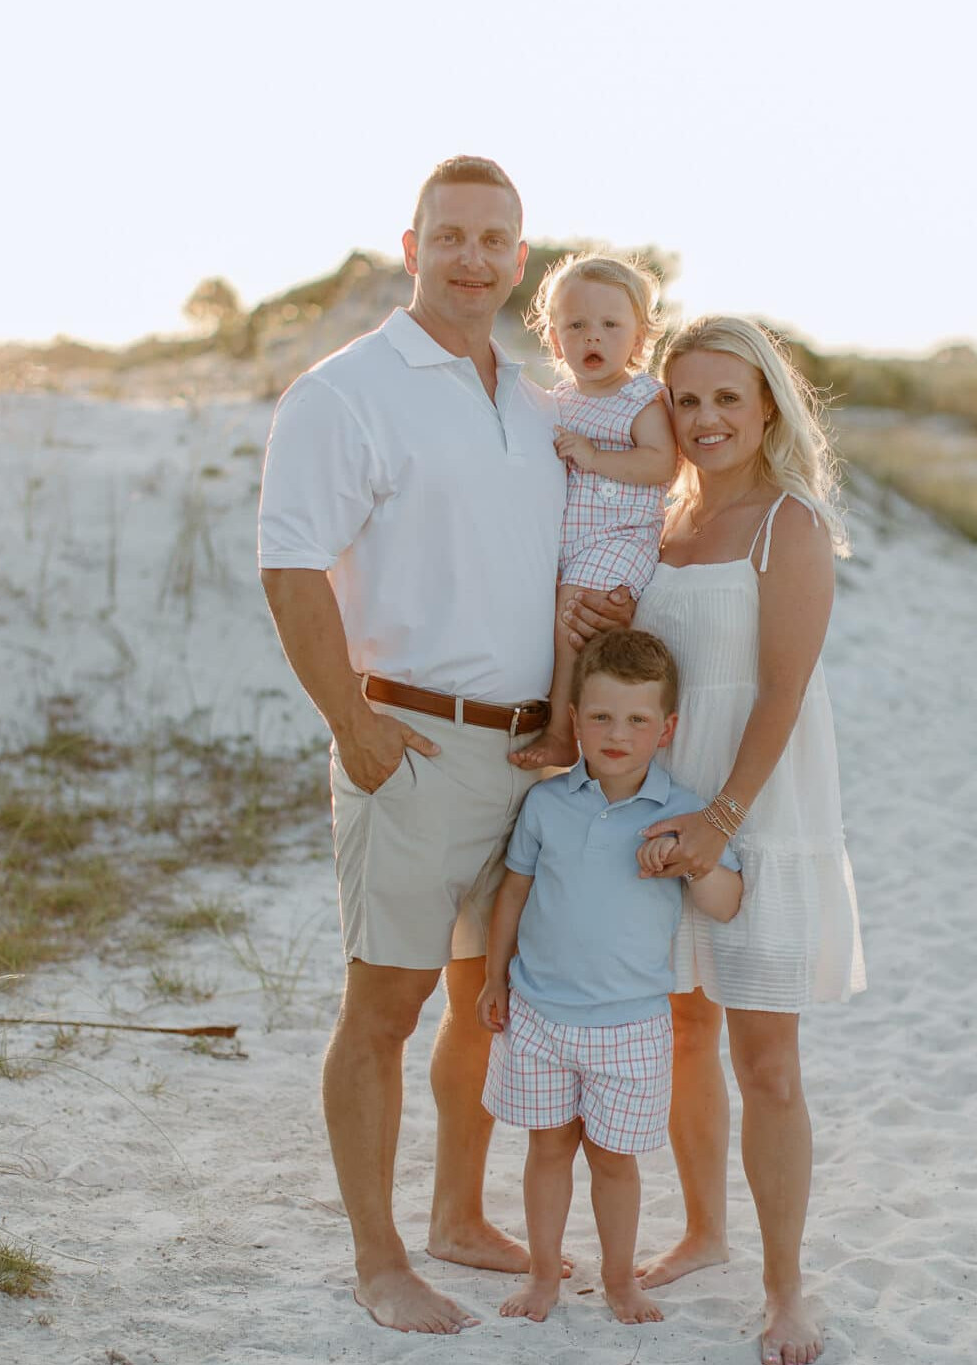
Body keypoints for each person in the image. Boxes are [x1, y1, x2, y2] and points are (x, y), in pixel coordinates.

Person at [256, 156, 633, 1336]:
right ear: (412, 248)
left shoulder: (529, 397)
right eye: (452, 235)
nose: (474, 257)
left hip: (529, 757)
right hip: (409, 745)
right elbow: (290, 563)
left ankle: (459, 1216)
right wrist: (353, 728)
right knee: (387, 1007)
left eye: (496, 239)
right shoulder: (347, 391)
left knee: (488, 1003)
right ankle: (380, 1262)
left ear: (520, 262)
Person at [630, 316, 867, 1365]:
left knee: (766, 1060)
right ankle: (702, 1230)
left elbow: (779, 692)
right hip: (660, 814)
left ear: (768, 402)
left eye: (729, 397)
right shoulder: (660, 522)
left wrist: (721, 820)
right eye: (688, 399)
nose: (708, 418)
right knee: (681, 1035)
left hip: (756, 816)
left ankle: (784, 1291)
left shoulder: (791, 525)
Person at [476, 629, 742, 1325]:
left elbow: (726, 903)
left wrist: (692, 857)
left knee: (615, 1161)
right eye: (599, 716)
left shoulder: (683, 812)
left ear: (666, 728)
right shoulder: (546, 804)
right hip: (537, 1009)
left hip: (630, 1023)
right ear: (574, 719)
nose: (615, 733)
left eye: (636, 719)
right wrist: (494, 976)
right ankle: (543, 1275)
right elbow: (512, 892)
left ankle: (621, 1280)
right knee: (547, 1148)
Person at [509, 254, 678, 771]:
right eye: (576, 326)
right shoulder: (557, 401)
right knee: (560, 629)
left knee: (570, 623)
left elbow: (661, 464)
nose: (593, 339)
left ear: (639, 338)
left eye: (610, 325)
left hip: (620, 538)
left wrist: (594, 457)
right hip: (573, 544)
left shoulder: (641, 397)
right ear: (556, 340)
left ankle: (562, 733)